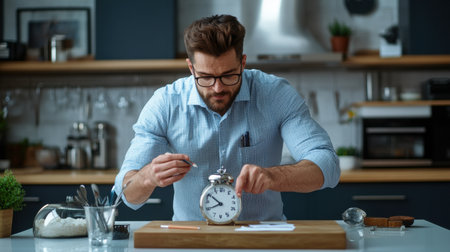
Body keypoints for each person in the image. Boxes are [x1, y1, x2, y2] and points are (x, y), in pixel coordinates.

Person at [114, 14, 340, 221]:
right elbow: (126, 193)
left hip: (263, 239)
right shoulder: (165, 103)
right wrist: (147, 177)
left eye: (228, 75)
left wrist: (273, 176)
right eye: (205, 77)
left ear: (242, 63)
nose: (217, 88)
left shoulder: (275, 94)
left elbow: (327, 164)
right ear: (191, 68)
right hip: (191, 242)